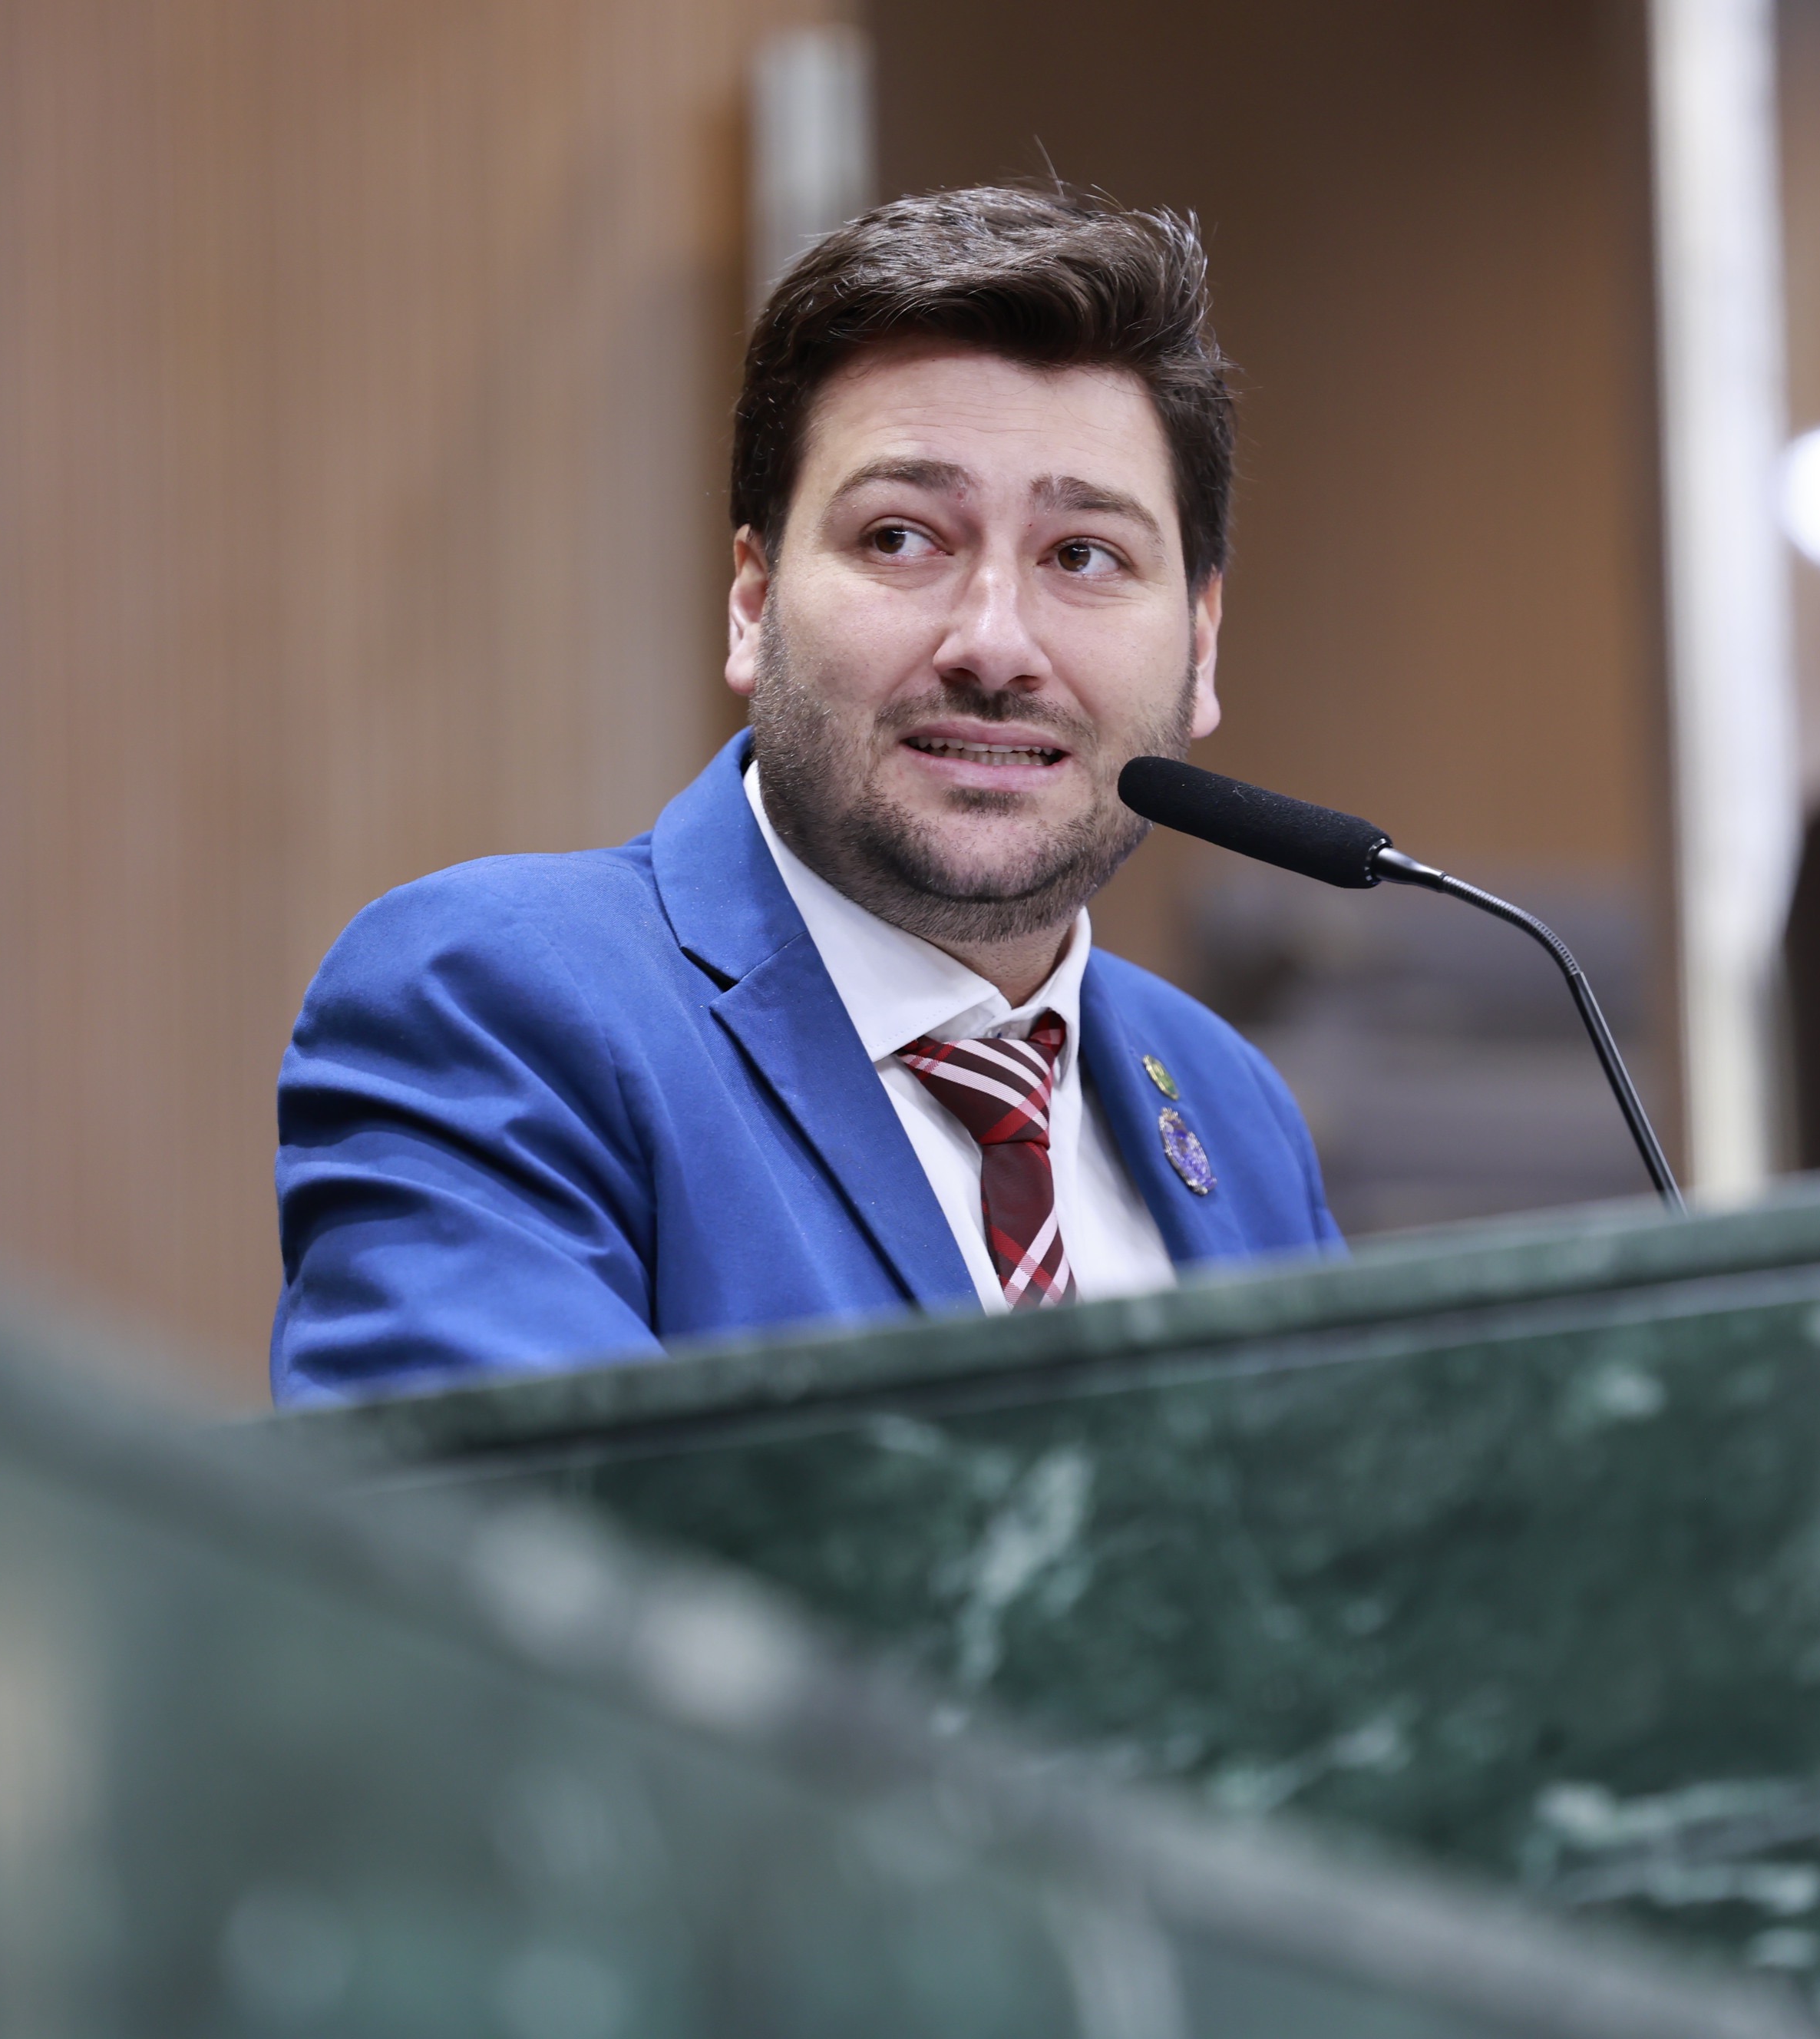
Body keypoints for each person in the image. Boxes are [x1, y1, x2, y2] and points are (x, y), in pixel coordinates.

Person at [269, 186, 1340, 1405]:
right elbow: (497, 1521)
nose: (995, 646)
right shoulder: (497, 1004)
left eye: (1083, 555)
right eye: (901, 538)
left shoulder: (1233, 1108)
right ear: (752, 602)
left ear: (1201, 643)